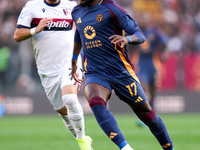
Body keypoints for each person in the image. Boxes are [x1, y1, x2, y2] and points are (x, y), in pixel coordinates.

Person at [71, 0, 174, 150]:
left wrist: (127, 39)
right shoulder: (76, 11)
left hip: (121, 72)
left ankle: (169, 148)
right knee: (95, 100)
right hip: (95, 72)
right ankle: (125, 148)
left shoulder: (112, 9)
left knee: (146, 114)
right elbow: (79, 33)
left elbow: (139, 34)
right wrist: (74, 59)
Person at [13, 0, 93, 150]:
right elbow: (17, 35)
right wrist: (35, 30)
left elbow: (85, 27)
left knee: (69, 98)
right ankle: (81, 138)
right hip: (47, 69)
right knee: (62, 111)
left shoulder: (71, 6)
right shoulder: (32, 7)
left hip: (70, 62)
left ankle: (83, 143)